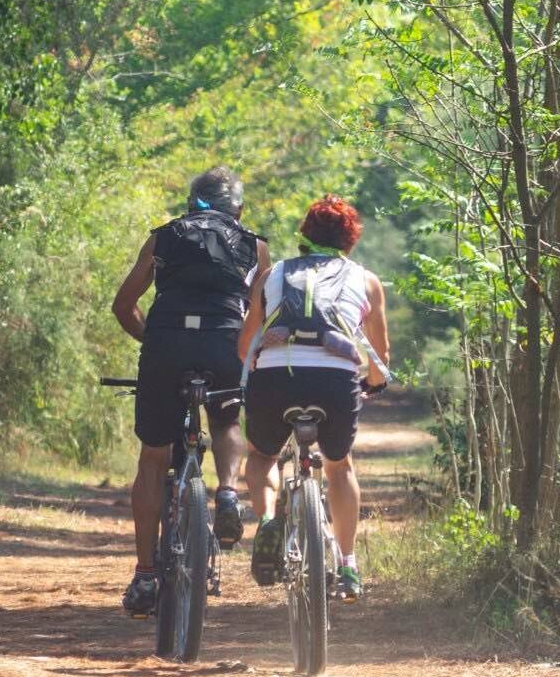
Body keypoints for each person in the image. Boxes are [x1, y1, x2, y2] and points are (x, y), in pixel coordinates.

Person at [110, 167, 270, 617]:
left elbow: (123, 306)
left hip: (167, 342)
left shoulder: (163, 237)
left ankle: (144, 575)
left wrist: (154, 342)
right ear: (237, 208)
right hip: (225, 343)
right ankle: (227, 496)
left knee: (153, 456)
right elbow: (264, 312)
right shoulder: (254, 245)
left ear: (191, 201)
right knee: (225, 420)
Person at [240, 196, 390, 601]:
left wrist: (260, 370)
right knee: (339, 467)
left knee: (261, 455)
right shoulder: (367, 280)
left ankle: (268, 521)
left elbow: (244, 345)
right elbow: (379, 357)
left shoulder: (272, 275)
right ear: (350, 240)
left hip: (276, 376)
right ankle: (347, 565)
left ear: (305, 234)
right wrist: (372, 384)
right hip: (334, 381)